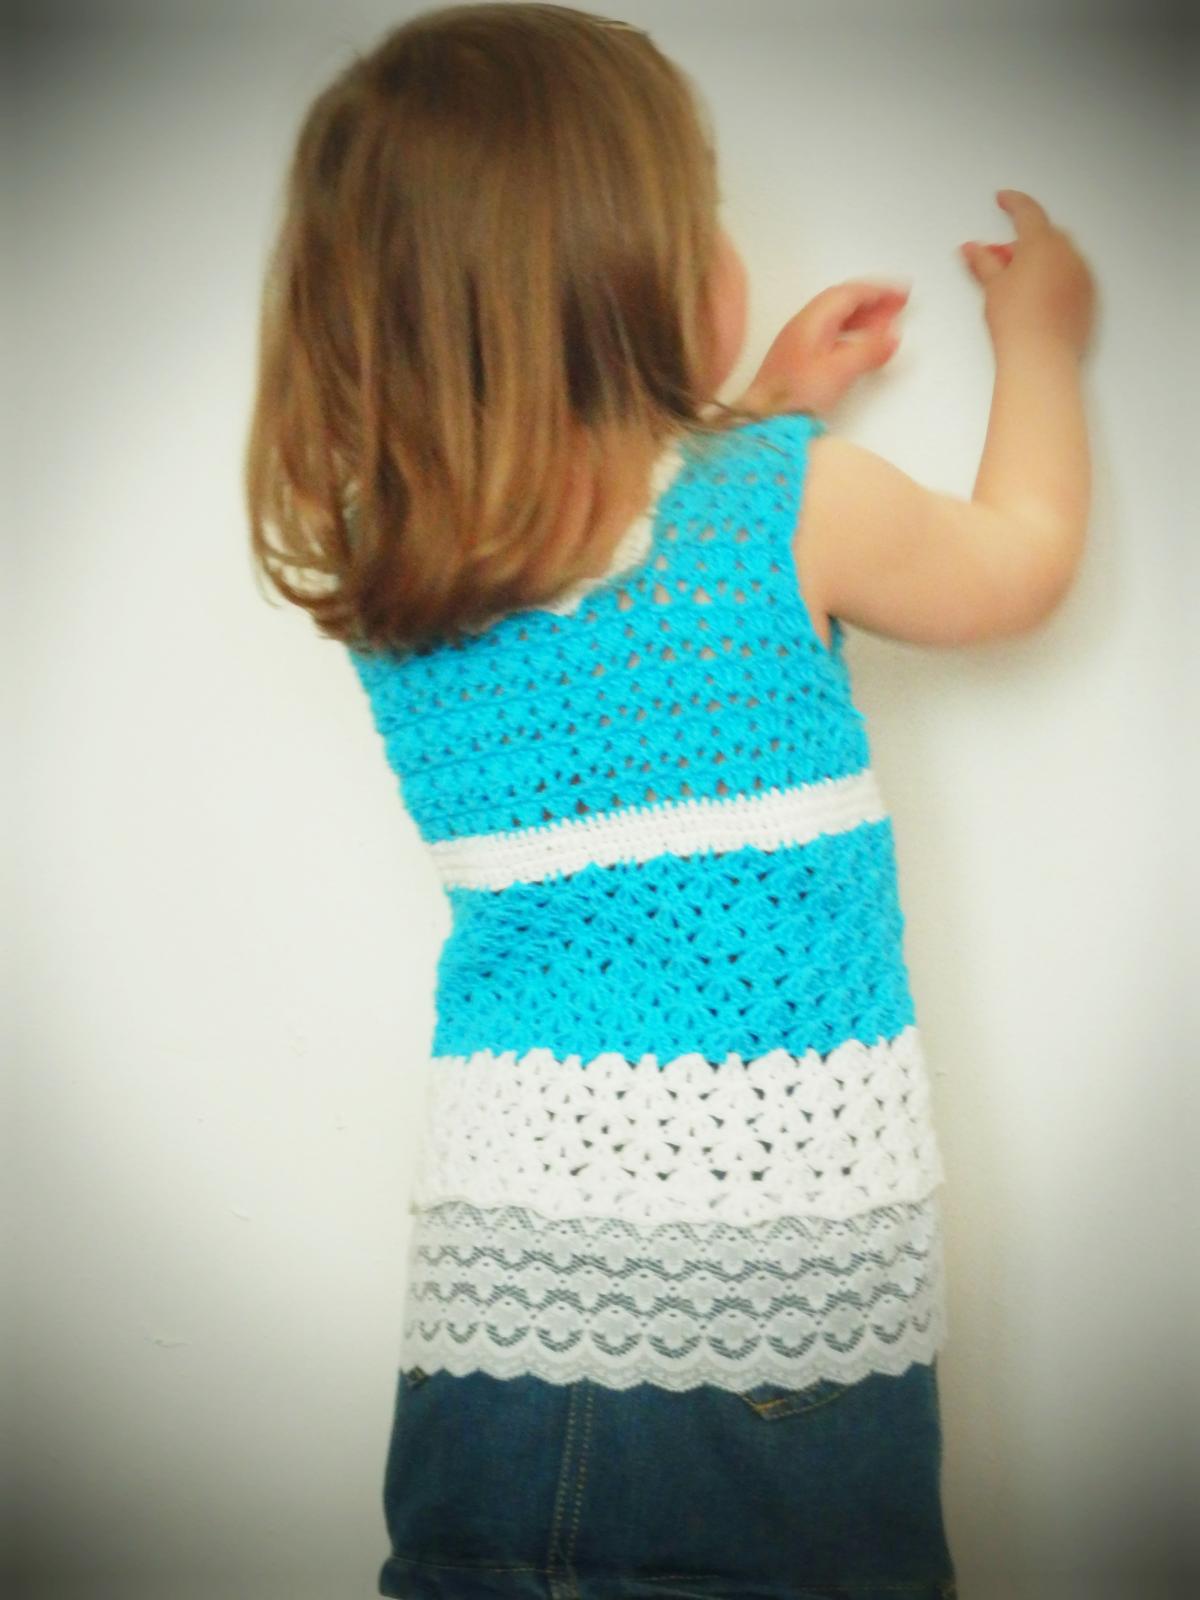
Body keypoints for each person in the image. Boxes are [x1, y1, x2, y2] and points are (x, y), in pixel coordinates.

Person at [243, 6, 1096, 1598]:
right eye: (700, 211)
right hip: (770, 1296)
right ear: (626, 274)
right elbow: (1019, 564)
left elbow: (610, 593)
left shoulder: (394, 561)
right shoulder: (793, 508)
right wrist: (1043, 336)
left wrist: (762, 406)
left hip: (499, 1294)